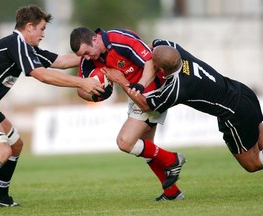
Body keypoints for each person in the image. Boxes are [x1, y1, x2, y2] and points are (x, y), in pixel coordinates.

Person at [103, 39, 263, 195]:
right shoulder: (180, 56)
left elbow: (146, 104)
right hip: (243, 93)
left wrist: (123, 80)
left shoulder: (177, 88)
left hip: (233, 114)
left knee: (253, 163)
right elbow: (160, 43)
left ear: (162, 71)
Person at [0, 5, 104, 212]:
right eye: (42, 29)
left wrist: (98, 54)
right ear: (30, 26)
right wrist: (81, 83)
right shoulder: (15, 43)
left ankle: (1, 197)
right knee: (2, 149)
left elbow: (60, 61)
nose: (43, 34)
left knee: (15, 145)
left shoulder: (25, 47)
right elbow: (41, 74)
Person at [70, 27, 186, 201]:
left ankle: (172, 159)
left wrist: (134, 85)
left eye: (86, 52)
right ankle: (172, 193)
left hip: (152, 91)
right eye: (82, 56)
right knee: (146, 147)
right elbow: (81, 89)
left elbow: (150, 63)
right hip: (134, 94)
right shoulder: (89, 60)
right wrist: (95, 93)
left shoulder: (120, 39)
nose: (86, 58)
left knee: (125, 142)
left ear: (94, 39)